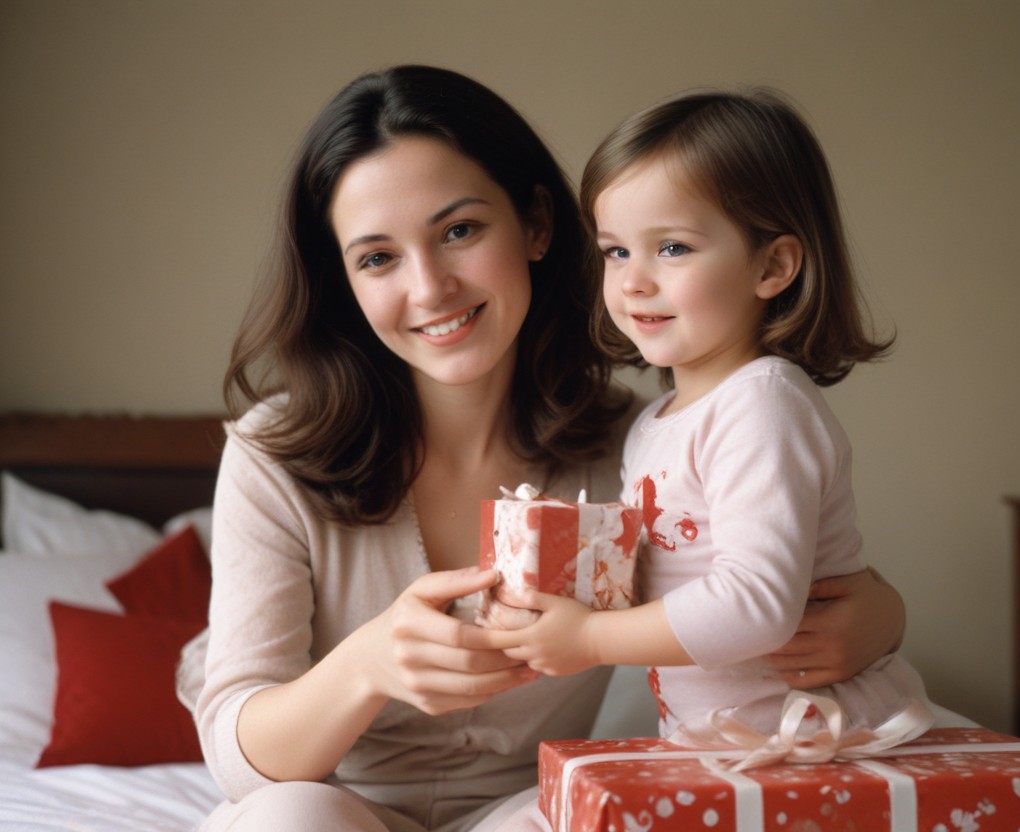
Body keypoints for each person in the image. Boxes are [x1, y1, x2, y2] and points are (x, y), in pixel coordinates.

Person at [179, 65, 907, 832]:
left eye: (459, 231)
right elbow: (237, 758)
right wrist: (367, 664)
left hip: (528, 810)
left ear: (536, 225)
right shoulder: (276, 455)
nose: (429, 288)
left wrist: (884, 618)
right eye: (378, 258)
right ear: (345, 280)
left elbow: (759, 582)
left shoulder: (633, 445)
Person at [488, 86, 931, 792]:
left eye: (671, 247)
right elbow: (671, 584)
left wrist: (590, 639)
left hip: (819, 747)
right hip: (733, 755)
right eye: (614, 250)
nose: (633, 281)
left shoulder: (763, 404)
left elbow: (755, 603)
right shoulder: (654, 424)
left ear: (772, 267)